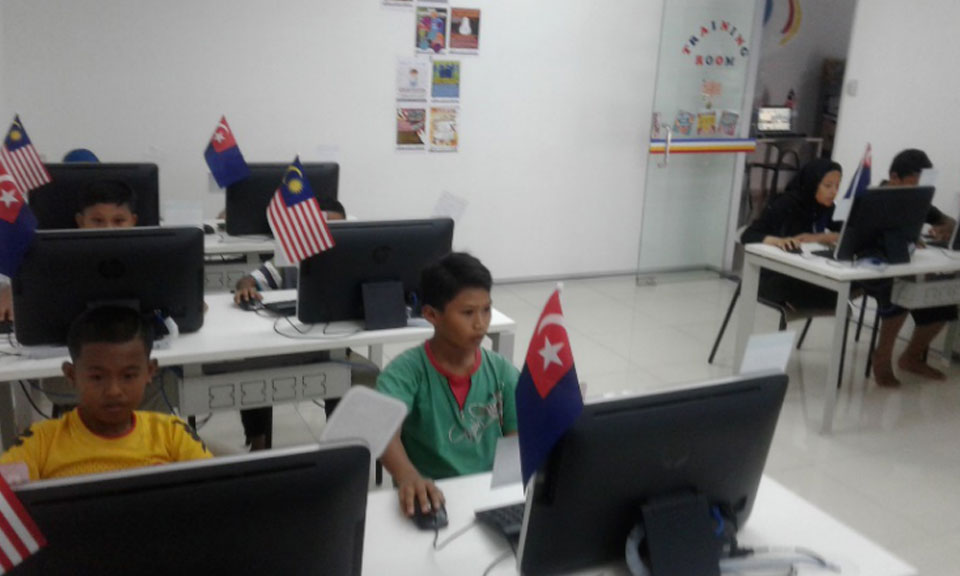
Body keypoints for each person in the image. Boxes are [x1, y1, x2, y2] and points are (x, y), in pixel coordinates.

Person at [377, 252, 519, 516]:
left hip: (487, 492)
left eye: (486, 310)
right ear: (431, 314)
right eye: (467, 313)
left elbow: (516, 436)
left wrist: (508, 488)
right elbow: (383, 432)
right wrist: (407, 475)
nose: (480, 324)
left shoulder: (502, 371)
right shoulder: (405, 373)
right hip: (431, 495)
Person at [0, 306, 211, 482]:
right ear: (71, 375)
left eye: (128, 376)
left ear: (149, 372)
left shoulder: (172, 434)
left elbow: (213, 494)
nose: (113, 391)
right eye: (97, 377)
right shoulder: (40, 442)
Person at [231, 198, 348, 451]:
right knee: (254, 368)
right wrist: (246, 288)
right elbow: (248, 280)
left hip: (332, 347)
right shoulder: (294, 258)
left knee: (341, 373)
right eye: (322, 226)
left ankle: (338, 448)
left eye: (335, 228)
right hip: (287, 344)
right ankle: (259, 444)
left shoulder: (353, 262)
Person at [869, 149, 957, 387]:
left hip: (905, 267)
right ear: (894, 177)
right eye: (913, 183)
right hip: (873, 268)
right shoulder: (873, 198)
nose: (918, 191)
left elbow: (948, 221)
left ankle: (911, 357)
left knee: (944, 301)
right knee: (901, 293)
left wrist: (945, 228)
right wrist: (898, 238)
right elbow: (863, 236)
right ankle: (882, 357)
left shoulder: (916, 198)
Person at [741, 158, 844, 311]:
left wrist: (819, 237)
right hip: (771, 276)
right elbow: (748, 235)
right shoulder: (786, 203)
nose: (834, 192)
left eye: (837, 186)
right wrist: (778, 241)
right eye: (828, 186)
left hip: (803, 272)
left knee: (840, 293)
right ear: (812, 183)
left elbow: (846, 232)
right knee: (834, 296)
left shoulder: (825, 207)